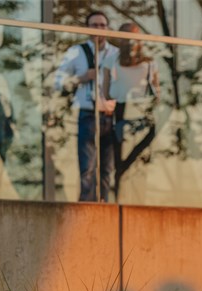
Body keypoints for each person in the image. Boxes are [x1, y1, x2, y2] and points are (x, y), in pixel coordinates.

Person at [54, 11, 118, 202]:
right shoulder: (76, 52)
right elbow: (58, 82)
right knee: (88, 167)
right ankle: (87, 205)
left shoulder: (115, 53)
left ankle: (104, 204)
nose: (99, 29)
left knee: (107, 168)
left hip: (110, 114)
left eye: (102, 25)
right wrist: (81, 78)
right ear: (87, 29)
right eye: (94, 25)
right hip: (87, 113)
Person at [105, 23, 160, 199]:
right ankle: (118, 194)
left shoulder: (149, 63)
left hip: (142, 112)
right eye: (126, 36)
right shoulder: (111, 60)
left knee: (140, 159)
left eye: (134, 36)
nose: (130, 40)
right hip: (120, 111)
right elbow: (105, 90)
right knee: (117, 156)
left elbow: (155, 90)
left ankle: (135, 194)